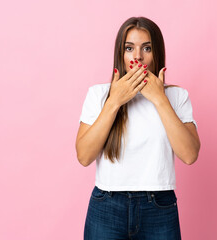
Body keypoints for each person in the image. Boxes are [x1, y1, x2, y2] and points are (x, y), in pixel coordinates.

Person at [75, 16, 200, 240]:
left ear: (157, 53)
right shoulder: (99, 94)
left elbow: (190, 154)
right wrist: (114, 101)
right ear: (120, 54)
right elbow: (84, 156)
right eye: (129, 48)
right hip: (107, 206)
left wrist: (159, 99)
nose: (137, 56)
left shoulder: (176, 96)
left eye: (147, 48)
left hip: (159, 208)